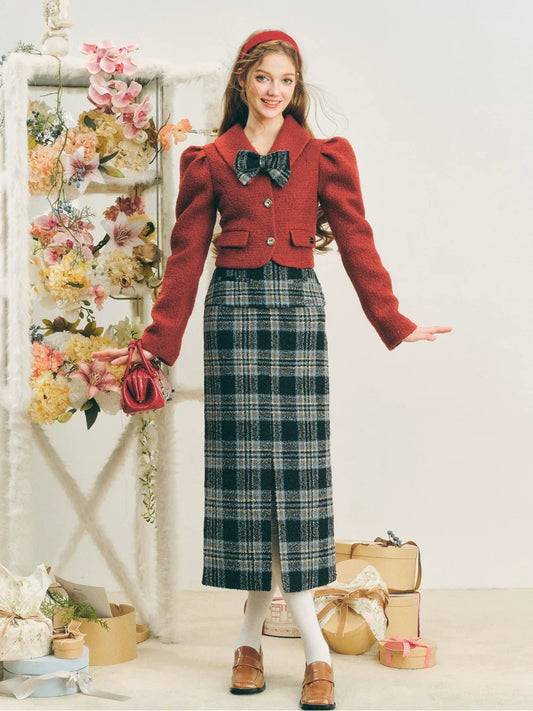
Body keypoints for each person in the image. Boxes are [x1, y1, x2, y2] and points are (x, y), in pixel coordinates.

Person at [93, 28, 451, 711]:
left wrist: (393, 320)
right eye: (263, 78)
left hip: (297, 319)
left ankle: (255, 644)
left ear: (296, 87)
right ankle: (306, 653)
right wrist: (155, 347)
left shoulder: (321, 156)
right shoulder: (209, 161)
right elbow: (184, 260)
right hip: (232, 321)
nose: (274, 90)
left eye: (286, 80)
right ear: (243, 82)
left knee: (299, 477)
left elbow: (356, 240)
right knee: (246, 479)